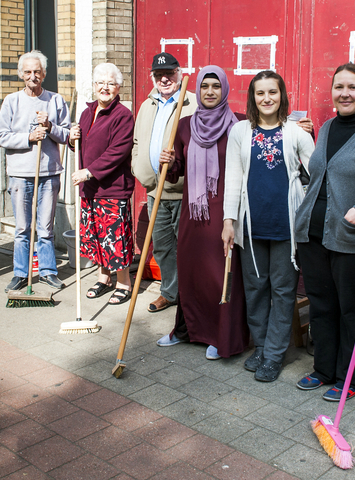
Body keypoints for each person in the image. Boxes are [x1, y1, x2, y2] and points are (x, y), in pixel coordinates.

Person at [294, 64, 355, 400]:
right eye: (339, 87)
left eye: (352, 87)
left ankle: (352, 377)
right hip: (313, 233)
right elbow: (320, 176)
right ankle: (323, 369)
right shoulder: (328, 126)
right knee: (321, 305)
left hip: (353, 236)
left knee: (352, 309)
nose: (345, 94)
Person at [222, 70, 315, 382]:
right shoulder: (239, 132)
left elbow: (315, 173)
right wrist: (228, 220)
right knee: (255, 288)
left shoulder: (296, 133)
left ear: (282, 95)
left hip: (285, 226)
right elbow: (233, 177)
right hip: (251, 226)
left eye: (272, 92)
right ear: (252, 97)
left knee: (283, 289)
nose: (266, 98)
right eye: (260, 93)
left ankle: (275, 354)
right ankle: (261, 345)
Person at [155, 66, 250, 360]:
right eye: (205, 86)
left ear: (225, 89)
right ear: (197, 90)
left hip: (225, 213)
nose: (210, 92)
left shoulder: (240, 123)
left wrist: (301, 128)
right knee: (191, 272)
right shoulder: (184, 126)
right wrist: (169, 161)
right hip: (193, 215)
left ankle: (220, 336)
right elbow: (177, 171)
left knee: (220, 274)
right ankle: (186, 331)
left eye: (216, 86)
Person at [0, 50, 70, 293]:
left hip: (48, 173)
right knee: (22, 228)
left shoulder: (55, 100)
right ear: (21, 74)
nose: (32, 76)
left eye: (37, 71)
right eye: (27, 72)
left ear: (44, 74)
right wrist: (29, 136)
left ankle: (48, 272)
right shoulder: (11, 101)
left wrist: (49, 127)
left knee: (45, 228)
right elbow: (1, 135)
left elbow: (68, 135)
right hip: (20, 174)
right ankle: (21, 273)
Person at [132, 52, 196, 313]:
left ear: (179, 73)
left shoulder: (192, 102)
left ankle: (192, 297)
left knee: (188, 248)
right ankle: (170, 293)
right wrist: (140, 168)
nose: (164, 78)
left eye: (169, 73)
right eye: (159, 75)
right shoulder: (147, 104)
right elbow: (137, 142)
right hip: (153, 189)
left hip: (183, 191)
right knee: (163, 247)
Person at [68, 64, 136, 305]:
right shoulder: (87, 112)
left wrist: (89, 172)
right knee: (95, 236)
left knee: (115, 238)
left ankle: (123, 282)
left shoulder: (123, 115)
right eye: (100, 83)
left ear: (118, 88)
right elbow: (81, 146)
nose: (104, 87)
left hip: (112, 189)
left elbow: (118, 151)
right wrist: (71, 139)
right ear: (94, 86)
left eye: (110, 83)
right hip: (89, 189)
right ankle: (103, 277)